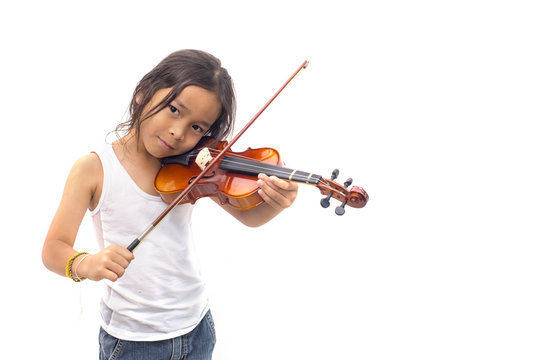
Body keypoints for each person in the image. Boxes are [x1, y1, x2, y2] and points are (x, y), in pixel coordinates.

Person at [41, 49, 298, 360]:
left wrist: (277, 202)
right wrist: (88, 264)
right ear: (142, 93)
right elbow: (54, 248)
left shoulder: (196, 168)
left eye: (197, 128)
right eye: (175, 110)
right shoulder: (94, 168)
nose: (179, 133)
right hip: (133, 340)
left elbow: (250, 218)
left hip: (197, 326)